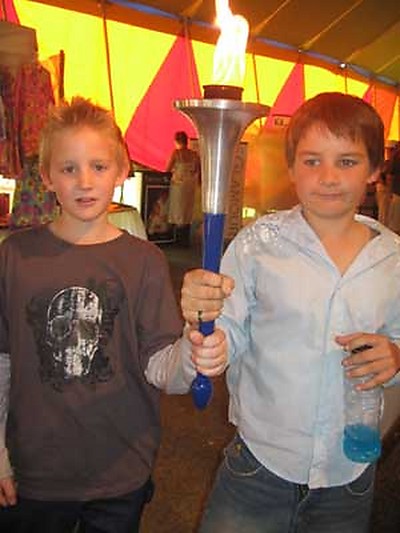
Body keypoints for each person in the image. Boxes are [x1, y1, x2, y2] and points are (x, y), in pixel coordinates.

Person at [0, 97, 227, 533]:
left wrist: (192, 351)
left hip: (120, 467)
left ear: (123, 170)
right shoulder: (15, 256)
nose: (85, 182)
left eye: (99, 166)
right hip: (34, 470)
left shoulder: (144, 261)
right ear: (46, 176)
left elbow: (162, 367)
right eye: (69, 168)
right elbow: (2, 360)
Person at [181, 92, 400, 533]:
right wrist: (212, 339)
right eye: (312, 161)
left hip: (347, 472)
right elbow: (229, 327)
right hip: (259, 464)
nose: (328, 177)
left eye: (347, 161)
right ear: (291, 167)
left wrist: (396, 356)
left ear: (375, 170)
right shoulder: (257, 245)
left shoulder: (393, 260)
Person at [166, 130, 201, 247]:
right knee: (187, 211)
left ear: (177, 141)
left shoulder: (176, 153)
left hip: (178, 185)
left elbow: (168, 169)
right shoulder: (194, 155)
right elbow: (198, 170)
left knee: (176, 210)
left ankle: (176, 239)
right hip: (190, 186)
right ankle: (185, 240)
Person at [386, 142, 400, 233]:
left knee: (395, 225)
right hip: (397, 191)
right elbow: (390, 174)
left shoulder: (396, 155)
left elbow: (390, 174)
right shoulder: (397, 155)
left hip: (396, 192)